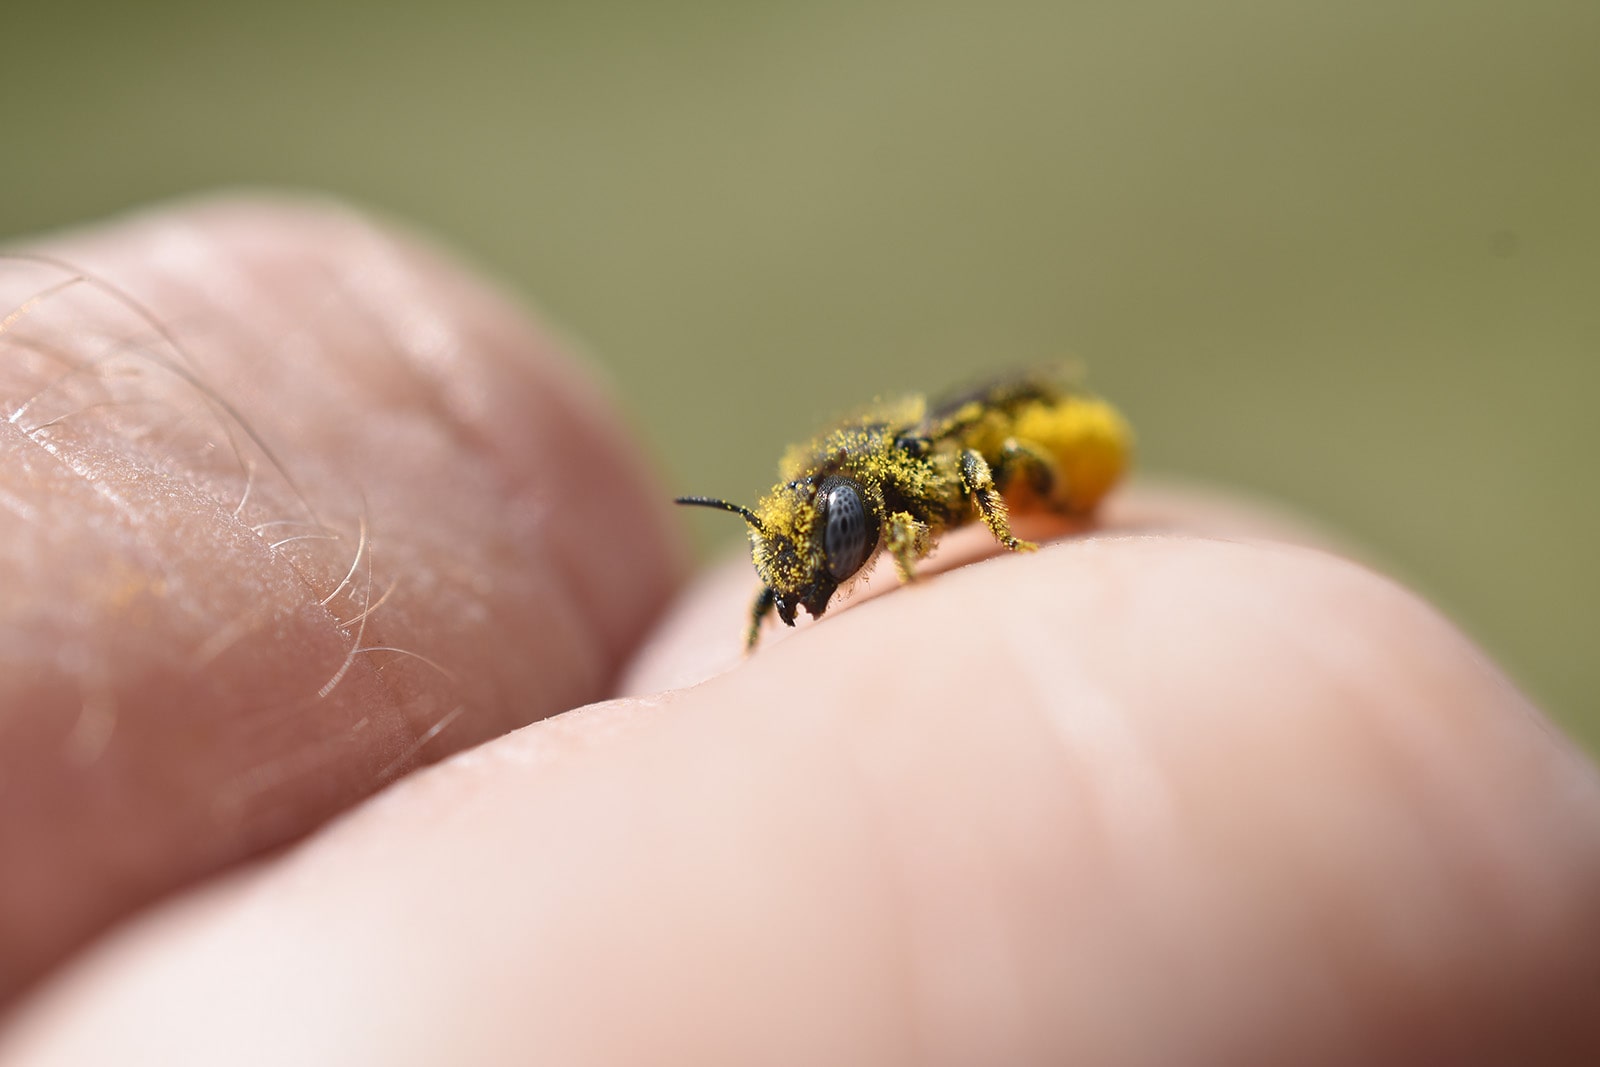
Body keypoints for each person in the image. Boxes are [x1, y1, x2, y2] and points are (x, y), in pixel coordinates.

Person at [1, 198, 1596, 1064]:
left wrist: (996, 542)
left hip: (1063, 445)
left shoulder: (911, 492)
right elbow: (798, 561)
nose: (812, 575)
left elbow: (991, 464)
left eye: (818, 559)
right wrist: (783, 616)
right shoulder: (811, 525)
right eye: (803, 566)